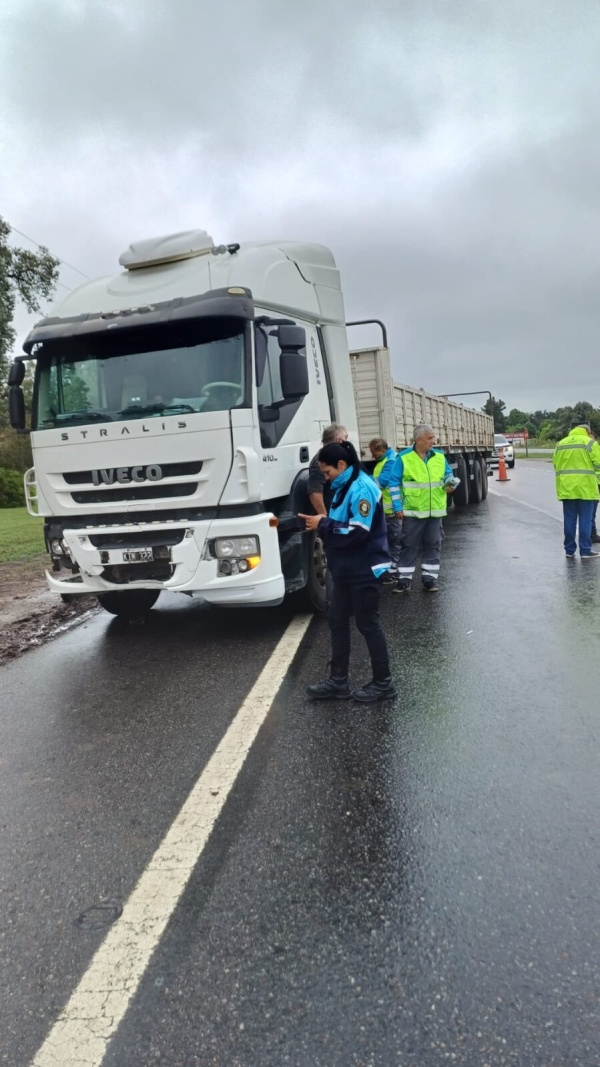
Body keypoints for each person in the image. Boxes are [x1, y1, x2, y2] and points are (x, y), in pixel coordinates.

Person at [299, 440, 397, 703]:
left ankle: (384, 683)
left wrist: (323, 523)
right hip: (344, 568)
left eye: (328, 472)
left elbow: (357, 531)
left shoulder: (362, 487)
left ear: (341, 465)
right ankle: (338, 681)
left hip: (364, 568)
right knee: (337, 621)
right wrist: (323, 524)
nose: (326, 478)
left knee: (368, 624)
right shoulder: (343, 485)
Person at [391, 423, 456, 593]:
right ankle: (404, 580)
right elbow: (394, 483)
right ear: (418, 440)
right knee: (408, 545)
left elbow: (448, 474)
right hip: (413, 512)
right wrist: (397, 506)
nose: (433, 441)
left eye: (433, 438)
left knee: (433, 544)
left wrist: (450, 483)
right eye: (430, 438)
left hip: (435, 511)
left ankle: (429, 579)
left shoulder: (439, 456)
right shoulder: (403, 458)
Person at [553, 421, 600, 558]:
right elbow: (598, 465)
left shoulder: (561, 444)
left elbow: (556, 464)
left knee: (569, 519)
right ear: (587, 432)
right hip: (586, 488)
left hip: (567, 488)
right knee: (585, 519)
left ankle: (569, 550)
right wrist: (597, 481)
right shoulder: (590, 443)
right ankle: (585, 550)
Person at [369, 437, 402, 584]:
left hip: (392, 510)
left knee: (395, 541)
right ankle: (391, 570)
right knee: (389, 541)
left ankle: (395, 572)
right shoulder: (384, 460)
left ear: (382, 450)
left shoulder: (391, 461)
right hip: (387, 510)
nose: (372, 456)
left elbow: (382, 482)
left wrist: (365, 479)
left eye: (374, 452)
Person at [307, 423, 349, 515]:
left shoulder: (336, 457)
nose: (347, 441)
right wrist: (325, 518)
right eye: (346, 438)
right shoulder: (320, 461)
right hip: (331, 514)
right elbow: (315, 492)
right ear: (339, 440)